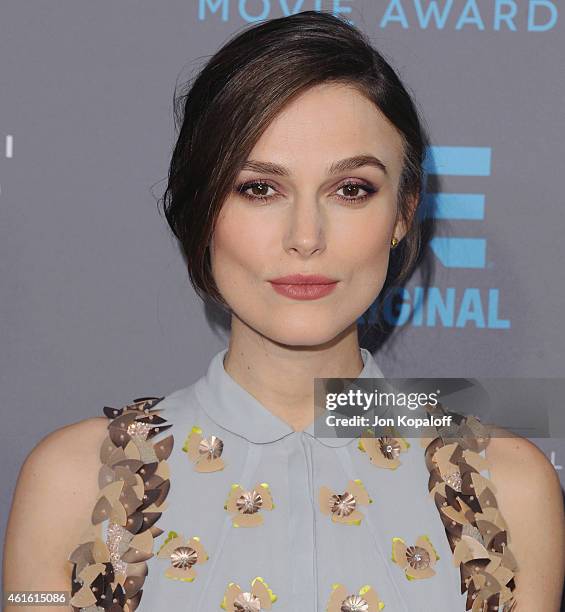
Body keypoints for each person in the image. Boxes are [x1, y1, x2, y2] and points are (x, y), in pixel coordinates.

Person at [4, 10, 564, 612]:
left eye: (351, 189)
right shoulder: (73, 481)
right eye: (259, 188)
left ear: (403, 214)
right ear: (202, 211)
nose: (305, 237)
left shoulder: (506, 485)